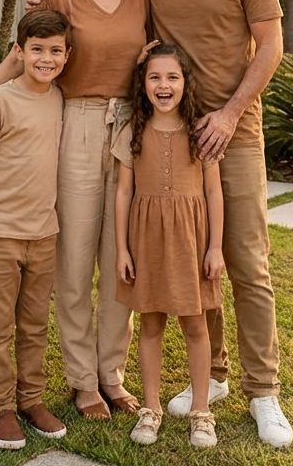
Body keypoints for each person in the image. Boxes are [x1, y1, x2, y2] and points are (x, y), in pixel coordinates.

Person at [26, 0, 293, 449]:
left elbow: (271, 45)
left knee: (245, 262)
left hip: (233, 132)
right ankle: (215, 376)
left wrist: (226, 115)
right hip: (164, 134)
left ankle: (263, 392)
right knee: (195, 255)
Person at [0, 0, 150, 420]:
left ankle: (111, 376)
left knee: (122, 262)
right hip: (76, 126)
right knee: (72, 263)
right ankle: (81, 381)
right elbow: (22, 51)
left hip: (129, 130)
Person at [0, 8, 72, 450]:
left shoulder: (61, 98)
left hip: (45, 233)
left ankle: (31, 400)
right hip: (0, 232)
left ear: (67, 54)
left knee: (34, 324)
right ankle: (0, 408)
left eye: (56, 51)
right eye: (37, 50)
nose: (46, 58)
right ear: (20, 52)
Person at [114, 44, 224, 449]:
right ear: (143, 85)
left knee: (196, 324)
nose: (164, 85)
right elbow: (123, 193)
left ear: (185, 83)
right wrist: (123, 250)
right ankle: (151, 408)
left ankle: (201, 411)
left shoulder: (199, 132)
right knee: (151, 323)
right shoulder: (133, 132)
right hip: (146, 241)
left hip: (191, 241)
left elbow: (214, 193)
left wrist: (215, 247)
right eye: (154, 77)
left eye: (172, 77)